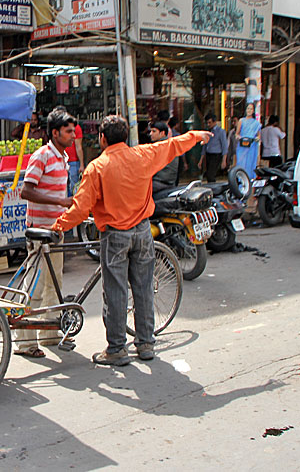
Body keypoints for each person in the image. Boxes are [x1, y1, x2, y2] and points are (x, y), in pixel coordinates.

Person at [50, 115, 212, 366]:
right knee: (144, 287)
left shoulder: (97, 167)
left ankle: (116, 348)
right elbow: (172, 145)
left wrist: (58, 227)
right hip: (143, 232)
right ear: (125, 137)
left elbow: (81, 209)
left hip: (115, 235)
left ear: (102, 139)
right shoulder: (143, 155)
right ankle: (146, 344)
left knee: (115, 292)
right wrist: (197, 136)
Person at [15, 107, 75, 358]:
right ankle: (25, 342)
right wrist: (59, 202)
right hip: (39, 232)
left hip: (56, 230)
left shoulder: (63, 158)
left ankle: (49, 334)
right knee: (34, 288)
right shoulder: (42, 155)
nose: (72, 135)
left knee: (55, 284)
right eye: (68, 131)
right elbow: (25, 191)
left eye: (73, 131)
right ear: (55, 133)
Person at [197, 113, 228, 182]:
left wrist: (224, 160)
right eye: (207, 123)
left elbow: (224, 146)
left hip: (216, 155)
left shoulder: (221, 132)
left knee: (211, 174)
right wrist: (201, 160)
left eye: (210, 122)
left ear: (214, 122)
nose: (208, 124)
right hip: (208, 155)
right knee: (208, 174)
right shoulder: (207, 132)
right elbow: (204, 146)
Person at [149, 122, 178, 193]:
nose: (151, 134)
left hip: (160, 182)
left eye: (154, 131)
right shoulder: (170, 144)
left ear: (162, 133)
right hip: (168, 182)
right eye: (151, 131)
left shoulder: (159, 147)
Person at [235, 103, 261, 179]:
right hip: (242, 146)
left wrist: (257, 138)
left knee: (250, 164)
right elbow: (237, 133)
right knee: (241, 163)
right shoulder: (241, 121)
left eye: (251, 109)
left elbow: (259, 135)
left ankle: (250, 181)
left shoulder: (256, 123)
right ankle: (240, 181)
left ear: (253, 111)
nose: (249, 110)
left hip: (252, 146)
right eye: (248, 108)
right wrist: (239, 137)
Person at [63, 112, 84, 197]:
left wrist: (81, 164)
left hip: (73, 161)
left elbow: (78, 147)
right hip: (63, 161)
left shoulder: (76, 128)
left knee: (74, 188)